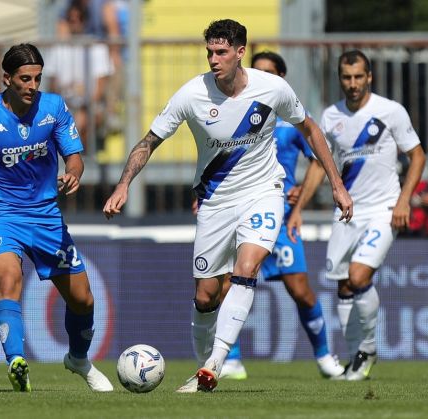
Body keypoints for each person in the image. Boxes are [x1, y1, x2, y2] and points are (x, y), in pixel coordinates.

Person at [103, 19, 353, 393]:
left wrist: (336, 185)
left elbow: (311, 129)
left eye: (221, 52)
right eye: (209, 52)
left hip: (263, 191)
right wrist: (123, 184)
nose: (213, 59)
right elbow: (148, 141)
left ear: (240, 52)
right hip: (215, 201)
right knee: (206, 295)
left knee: (247, 266)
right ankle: (204, 365)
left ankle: (216, 364)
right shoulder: (192, 94)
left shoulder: (273, 88)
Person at [0, 43, 113, 393]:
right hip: (0, 214)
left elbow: (74, 155)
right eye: (25, 79)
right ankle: (16, 360)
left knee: (83, 299)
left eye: (38, 78)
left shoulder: (54, 108)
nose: (33, 86)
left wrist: (73, 172)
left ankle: (78, 358)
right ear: (7, 79)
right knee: (9, 279)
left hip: (46, 217)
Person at [287, 49, 426, 381]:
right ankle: (355, 357)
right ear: (340, 79)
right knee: (344, 287)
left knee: (360, 276)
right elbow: (321, 165)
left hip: (384, 209)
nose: (352, 84)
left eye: (358, 77)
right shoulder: (331, 116)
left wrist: (404, 201)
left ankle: (367, 350)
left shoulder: (390, 111)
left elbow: (417, 156)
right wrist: (297, 211)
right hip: (347, 212)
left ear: (369, 78)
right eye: (346, 78)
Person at [219, 51, 345, 381]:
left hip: (281, 215)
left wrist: (301, 197)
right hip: (240, 211)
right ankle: (230, 358)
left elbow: (319, 157)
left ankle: (323, 357)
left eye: (269, 73)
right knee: (228, 283)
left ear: (281, 79)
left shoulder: (290, 121)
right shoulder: (233, 113)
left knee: (300, 289)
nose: (261, 78)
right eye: (256, 71)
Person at [47, 1, 115, 151]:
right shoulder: (58, 48)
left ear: (86, 21)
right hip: (65, 107)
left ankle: (77, 160)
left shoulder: (97, 48)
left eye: (79, 18)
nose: (75, 22)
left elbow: (100, 89)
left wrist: (85, 108)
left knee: (83, 120)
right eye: (71, 19)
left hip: (90, 107)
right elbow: (53, 86)